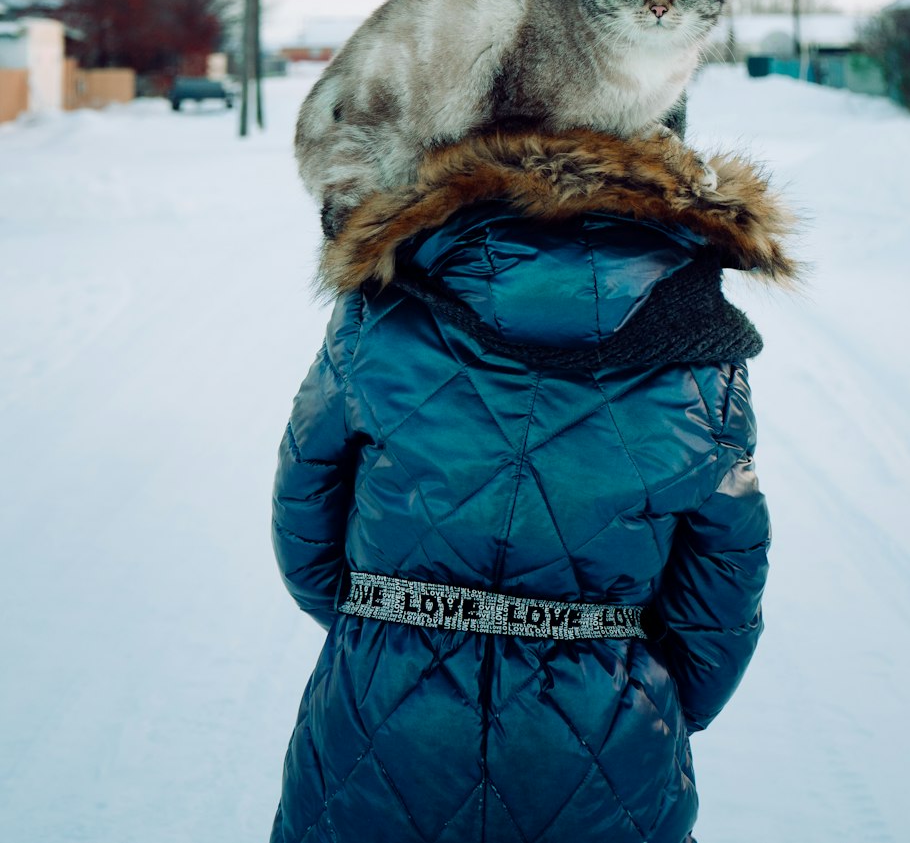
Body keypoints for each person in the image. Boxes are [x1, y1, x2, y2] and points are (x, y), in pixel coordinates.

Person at [269, 125, 795, 843]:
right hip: (606, 741)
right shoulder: (702, 339)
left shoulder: (384, 295)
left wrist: (385, 629)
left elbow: (306, 511)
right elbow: (725, 578)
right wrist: (641, 694)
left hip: (380, 717)